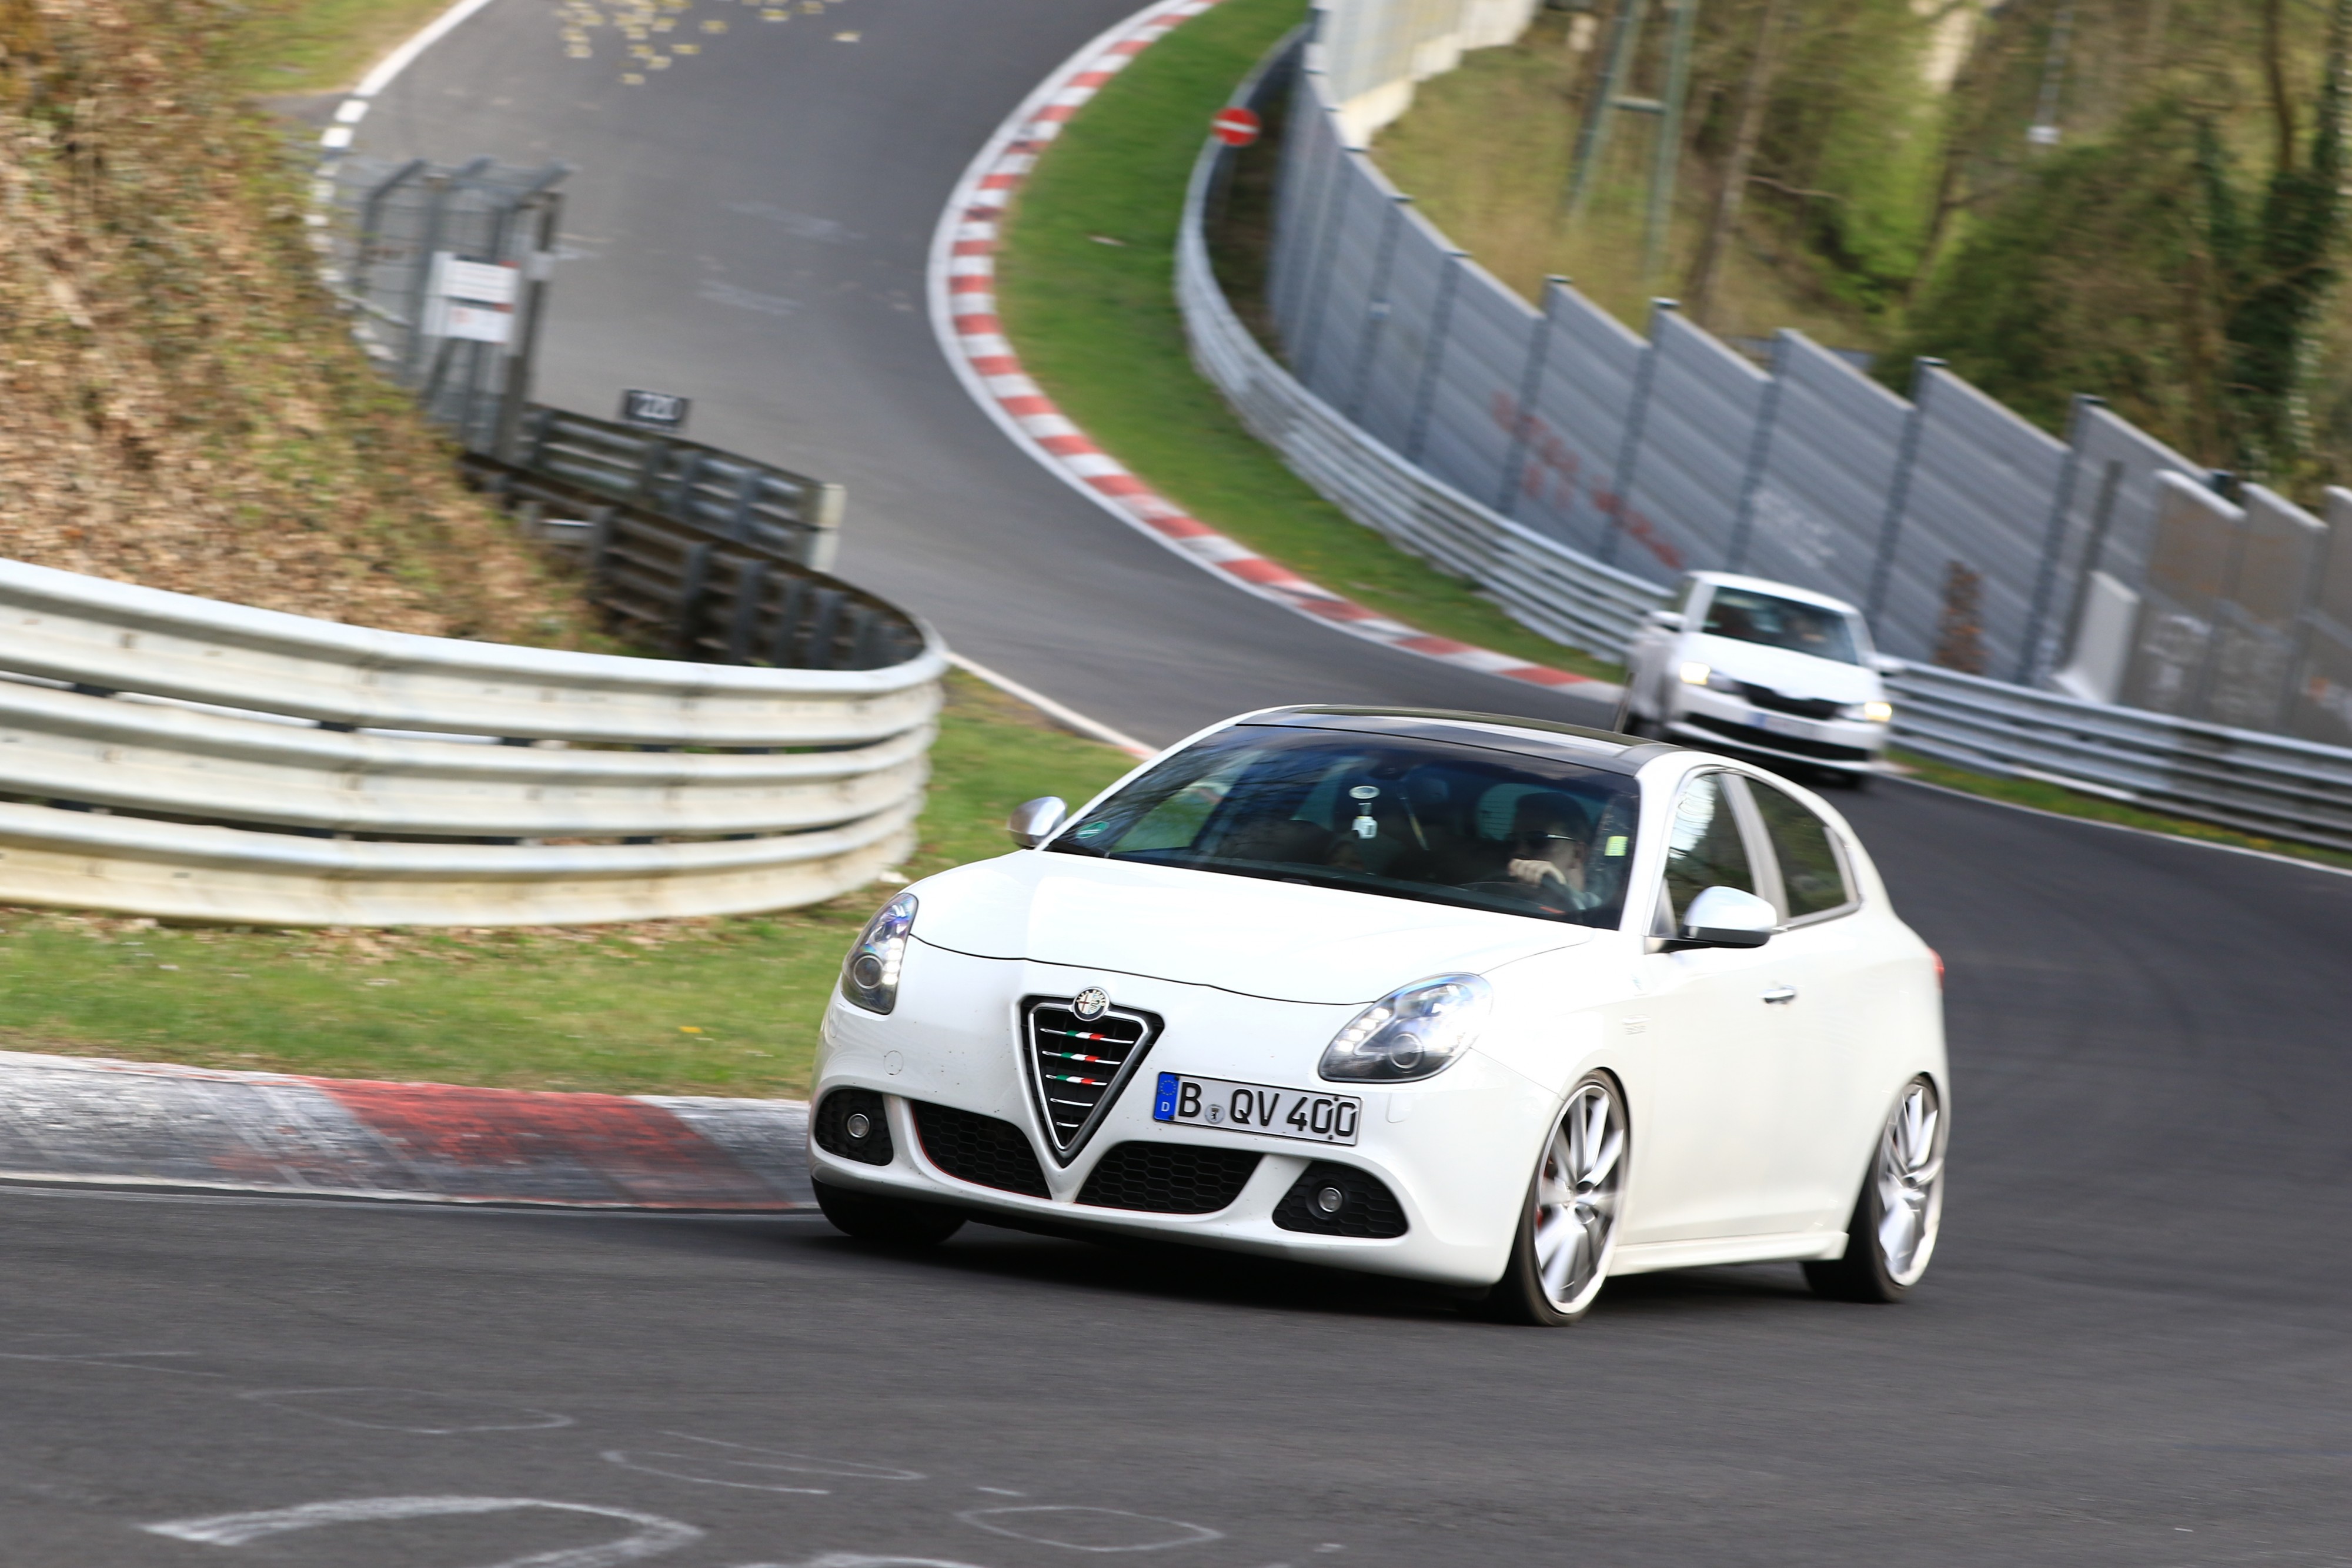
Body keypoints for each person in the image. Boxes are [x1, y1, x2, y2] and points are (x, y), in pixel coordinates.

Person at [1502, 793, 1596, 909]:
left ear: (1578, 854)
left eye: (1538, 840)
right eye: (1513, 841)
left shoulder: (1599, 913)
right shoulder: (1494, 895)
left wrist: (1559, 895)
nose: (1520, 851)